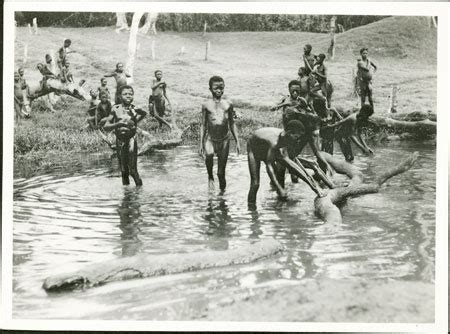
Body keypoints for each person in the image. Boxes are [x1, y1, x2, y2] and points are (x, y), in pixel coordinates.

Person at [247, 120, 326, 204]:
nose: (297, 140)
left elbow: (293, 165)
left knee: (279, 173)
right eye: (296, 137)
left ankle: (279, 203)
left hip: (267, 146)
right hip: (253, 148)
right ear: (289, 133)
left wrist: (314, 187)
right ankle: (251, 210)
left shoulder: (287, 139)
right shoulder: (274, 142)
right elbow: (269, 166)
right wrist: (279, 189)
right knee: (255, 184)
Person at [199, 76, 240, 191]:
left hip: (224, 140)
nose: (219, 90)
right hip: (210, 139)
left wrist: (237, 141)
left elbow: (232, 123)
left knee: (221, 173)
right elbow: (203, 125)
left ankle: (222, 196)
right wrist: (200, 144)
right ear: (210, 89)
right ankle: (210, 177)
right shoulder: (206, 105)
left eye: (221, 88)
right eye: (216, 88)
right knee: (209, 155)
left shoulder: (228, 104)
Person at [104, 85, 147, 186]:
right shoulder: (115, 108)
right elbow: (106, 126)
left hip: (131, 140)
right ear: (119, 96)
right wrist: (119, 124)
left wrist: (137, 117)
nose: (128, 96)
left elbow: (144, 114)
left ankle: (139, 192)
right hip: (120, 141)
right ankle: (126, 195)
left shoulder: (134, 109)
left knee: (132, 170)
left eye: (130, 94)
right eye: (125, 94)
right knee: (124, 171)